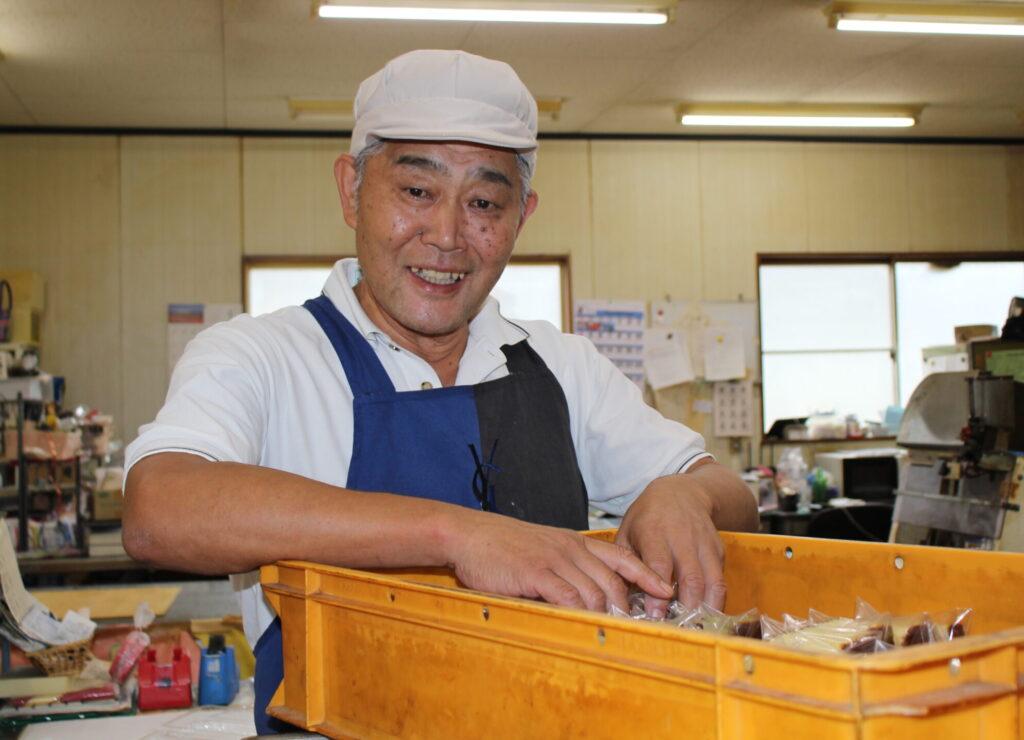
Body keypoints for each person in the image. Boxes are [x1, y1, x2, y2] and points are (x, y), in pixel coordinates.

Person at [122, 49, 757, 733]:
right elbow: (159, 509)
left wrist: (682, 492)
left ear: (521, 218)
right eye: (417, 192)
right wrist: (459, 535)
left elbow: (732, 496)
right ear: (350, 190)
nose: (449, 236)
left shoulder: (557, 364)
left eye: (484, 202)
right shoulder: (266, 357)